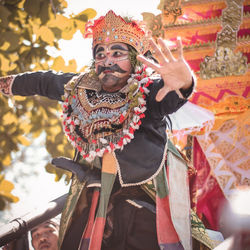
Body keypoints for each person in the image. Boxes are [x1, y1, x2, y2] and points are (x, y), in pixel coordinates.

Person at [0, 10, 216, 250]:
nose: (107, 61)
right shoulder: (82, 87)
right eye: (100, 54)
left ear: (135, 60)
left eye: (117, 52)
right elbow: (46, 81)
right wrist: (9, 84)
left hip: (144, 204)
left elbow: (167, 97)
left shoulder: (146, 90)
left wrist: (184, 84)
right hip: (98, 202)